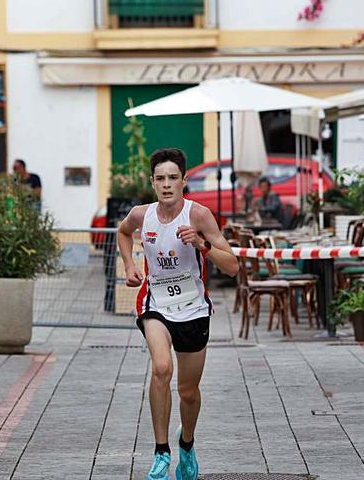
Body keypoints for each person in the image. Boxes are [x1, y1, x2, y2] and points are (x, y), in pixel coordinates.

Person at [117, 148, 238, 480]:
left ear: (184, 180)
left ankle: (186, 443)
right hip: (155, 304)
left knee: (188, 390)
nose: (166, 184)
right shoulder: (142, 215)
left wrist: (202, 244)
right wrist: (129, 264)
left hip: (194, 309)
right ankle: (160, 453)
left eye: (173, 178)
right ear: (152, 182)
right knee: (161, 368)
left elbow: (232, 267)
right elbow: (123, 232)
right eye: (160, 178)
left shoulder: (198, 215)